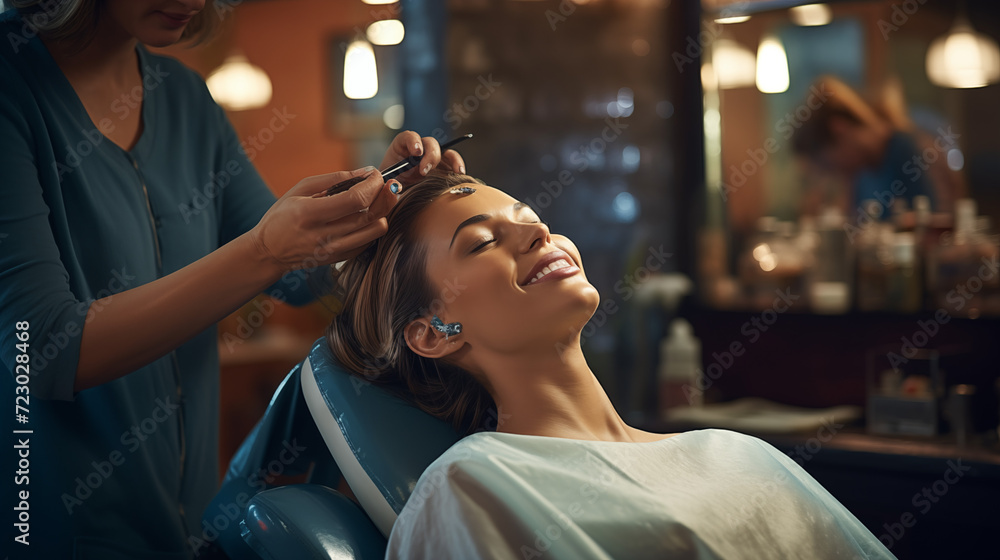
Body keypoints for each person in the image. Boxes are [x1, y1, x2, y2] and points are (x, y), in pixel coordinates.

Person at [0, 1, 464, 557]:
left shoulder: (184, 97)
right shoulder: (12, 87)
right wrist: (264, 252)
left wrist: (384, 209)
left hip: (188, 531)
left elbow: (299, 277)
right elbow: (41, 350)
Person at [325, 172, 897, 559]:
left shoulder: (729, 450)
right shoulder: (472, 486)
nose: (536, 231)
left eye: (528, 216)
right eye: (480, 243)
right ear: (432, 334)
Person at [791, 76, 962, 218]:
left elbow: (934, 226)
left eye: (828, 164)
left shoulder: (909, 150)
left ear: (839, 129)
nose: (835, 171)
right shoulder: (862, 169)